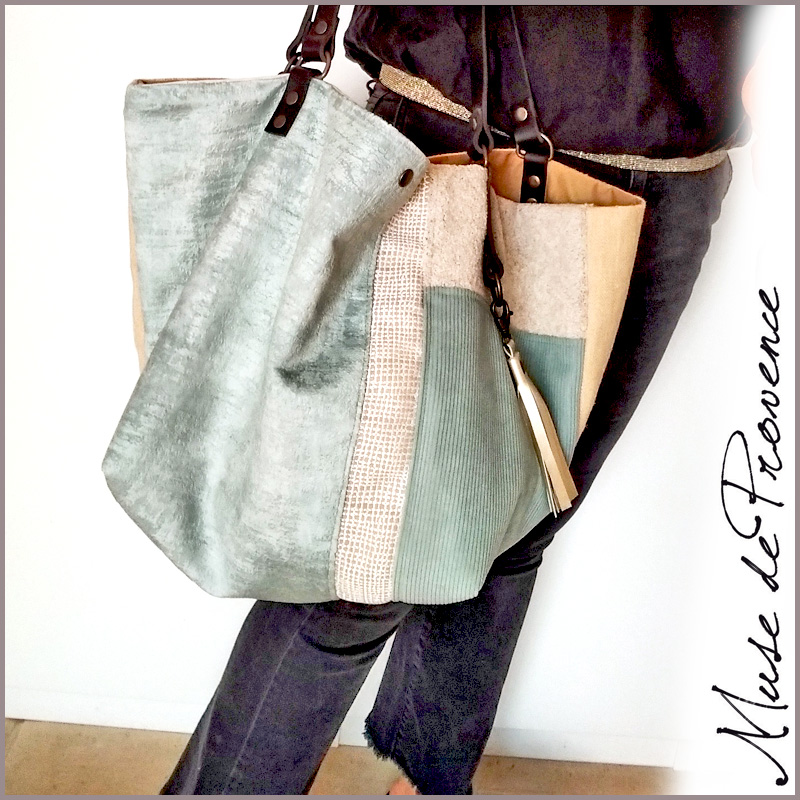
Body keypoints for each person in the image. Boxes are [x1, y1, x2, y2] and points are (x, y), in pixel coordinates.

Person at [161, 6, 758, 795]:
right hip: (459, 131)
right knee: (363, 563)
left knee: (522, 522)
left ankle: (431, 782)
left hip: (675, 166)